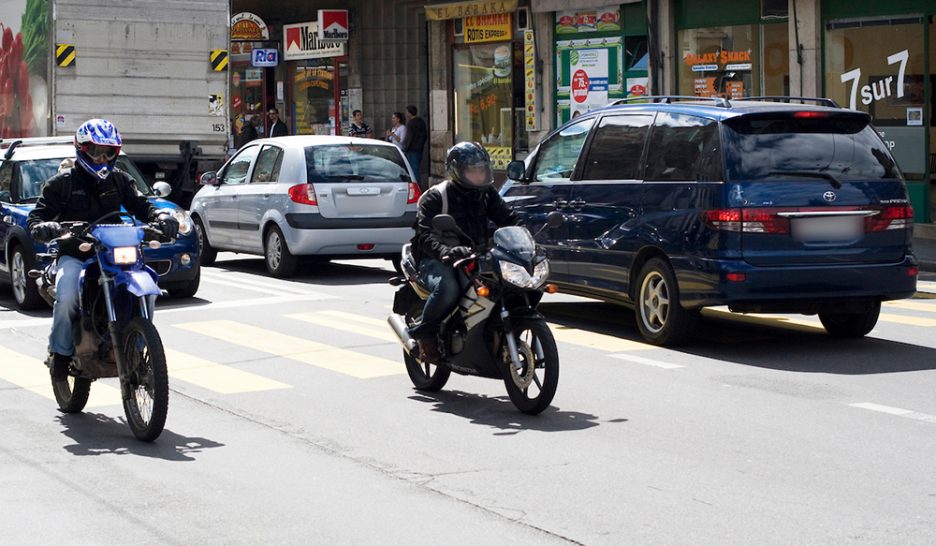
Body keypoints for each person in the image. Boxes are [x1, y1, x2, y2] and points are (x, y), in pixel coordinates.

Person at [27, 119, 180, 380]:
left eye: (107, 152)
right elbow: (36, 217)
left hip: (114, 253)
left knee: (148, 289)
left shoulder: (120, 180)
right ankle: (61, 355)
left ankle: (139, 347)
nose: (101, 158)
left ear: (115, 153)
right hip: (76, 253)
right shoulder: (61, 183)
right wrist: (44, 227)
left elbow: (143, 206)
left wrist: (161, 218)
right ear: (81, 149)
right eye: (94, 151)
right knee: (67, 297)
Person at [408, 142, 518, 363]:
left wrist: (527, 233)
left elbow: (508, 218)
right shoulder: (436, 196)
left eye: (481, 170)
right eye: (472, 171)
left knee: (504, 284)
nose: (478, 175)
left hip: (475, 254)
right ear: (457, 171)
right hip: (436, 258)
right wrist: (446, 251)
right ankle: (426, 335)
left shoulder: (486, 194)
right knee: (449, 287)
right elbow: (425, 235)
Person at [401, 105, 427, 186]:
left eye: (407, 112)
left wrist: (406, 148)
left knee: (413, 169)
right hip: (419, 148)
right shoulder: (421, 122)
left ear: (409, 113)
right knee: (416, 168)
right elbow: (424, 135)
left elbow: (409, 137)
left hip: (412, 149)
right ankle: (417, 185)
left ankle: (416, 186)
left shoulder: (411, 123)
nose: (406, 114)